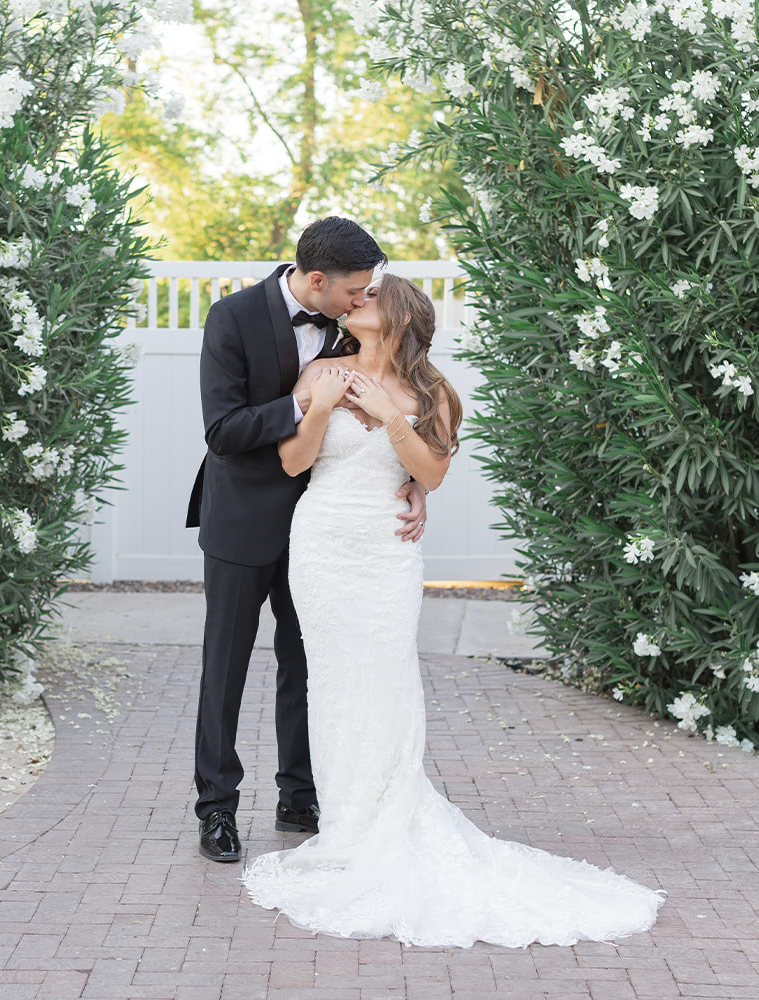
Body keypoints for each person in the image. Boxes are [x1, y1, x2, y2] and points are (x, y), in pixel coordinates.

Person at [239, 274, 667, 948]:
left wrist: (388, 416)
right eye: (358, 294)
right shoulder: (321, 371)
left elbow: (431, 474)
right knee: (331, 685)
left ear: (404, 317)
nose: (358, 301)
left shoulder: (431, 392)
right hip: (320, 544)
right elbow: (294, 463)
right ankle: (346, 826)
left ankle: (385, 820)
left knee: (384, 678)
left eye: (372, 296)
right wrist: (320, 408)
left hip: (385, 552)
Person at [186, 218, 430, 863]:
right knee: (226, 667)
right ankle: (216, 810)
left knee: (310, 663)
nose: (361, 299)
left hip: (325, 530)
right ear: (317, 280)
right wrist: (305, 405)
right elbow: (224, 430)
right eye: (354, 289)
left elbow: (401, 422)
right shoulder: (232, 318)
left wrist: (413, 484)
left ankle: (301, 796)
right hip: (243, 520)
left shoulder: (350, 331)